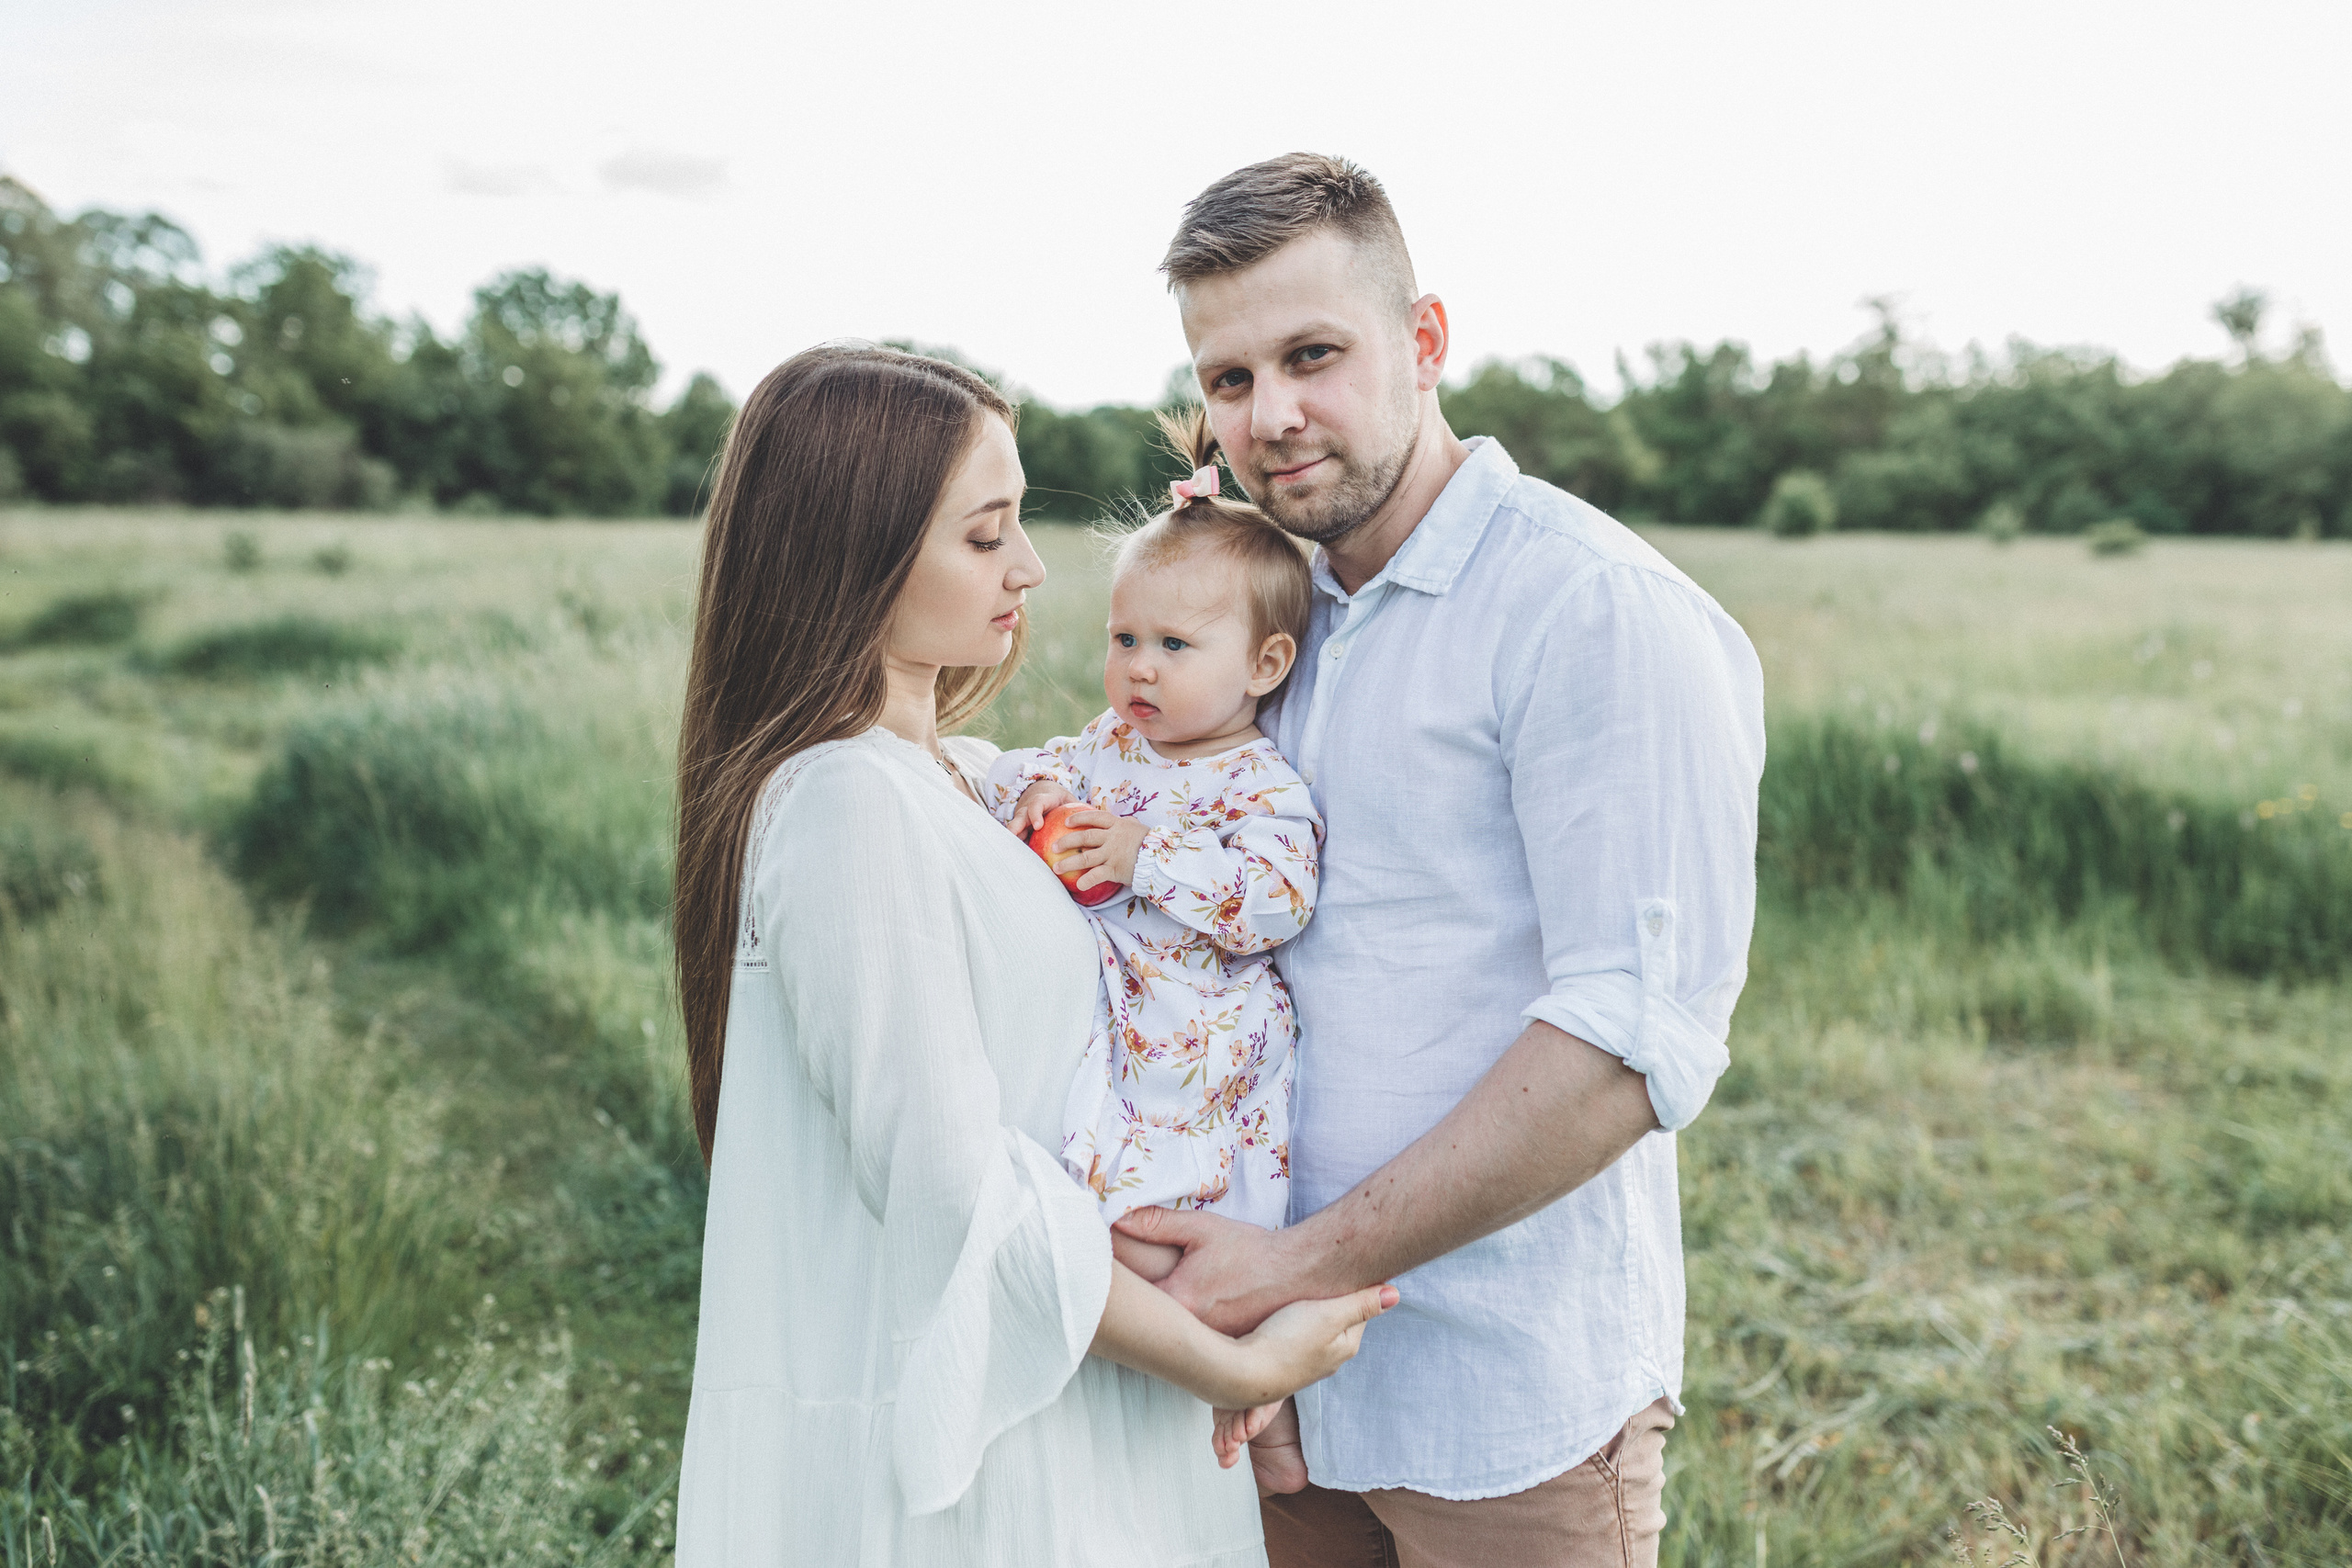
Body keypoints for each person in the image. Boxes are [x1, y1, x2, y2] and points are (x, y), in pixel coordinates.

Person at [1113, 155, 1767, 1566]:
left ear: (1424, 340)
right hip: (1270, 1395)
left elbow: (1630, 1041)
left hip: (1503, 1402)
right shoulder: (1268, 611)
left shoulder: (1594, 612)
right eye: (1229, 380)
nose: (1270, 416)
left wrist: (1290, 1267)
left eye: (1313, 356)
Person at [667, 343, 1396, 1566]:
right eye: (985, 534)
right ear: (855, 554)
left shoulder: (973, 778)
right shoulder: (850, 805)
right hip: (999, 1463)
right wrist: (1234, 1365)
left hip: (1097, 1392)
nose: (1031, 567)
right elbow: (957, 1198)